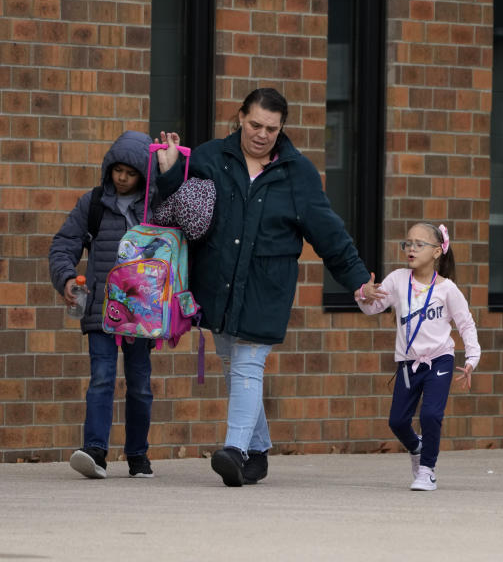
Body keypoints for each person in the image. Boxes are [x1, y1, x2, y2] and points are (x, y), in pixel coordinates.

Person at [155, 88, 384, 487]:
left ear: (282, 128)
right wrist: (172, 169)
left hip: (266, 289)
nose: (262, 134)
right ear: (241, 117)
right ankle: (257, 452)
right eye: (255, 124)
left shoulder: (298, 174)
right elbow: (175, 207)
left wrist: (358, 281)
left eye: (271, 128)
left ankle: (235, 449)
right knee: (233, 366)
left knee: (246, 366)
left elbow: (328, 233)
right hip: (217, 285)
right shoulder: (210, 157)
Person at [48, 130, 157, 479]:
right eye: (117, 170)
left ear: (143, 174)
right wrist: (66, 277)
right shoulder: (93, 203)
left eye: (131, 172)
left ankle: (138, 455)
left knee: (139, 384)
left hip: (141, 313)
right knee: (101, 379)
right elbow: (63, 244)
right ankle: (95, 450)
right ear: (109, 168)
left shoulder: (155, 208)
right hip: (100, 309)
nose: (122, 178)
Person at [355, 222, 481, 491]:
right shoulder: (398, 280)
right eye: (408, 243)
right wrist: (363, 295)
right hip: (408, 363)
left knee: (431, 415)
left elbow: (466, 324)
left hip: (440, 360)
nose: (411, 249)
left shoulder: (447, 290)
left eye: (419, 244)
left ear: (437, 252)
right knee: (397, 421)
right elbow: (373, 307)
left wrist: (472, 359)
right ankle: (417, 446)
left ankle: (427, 470)